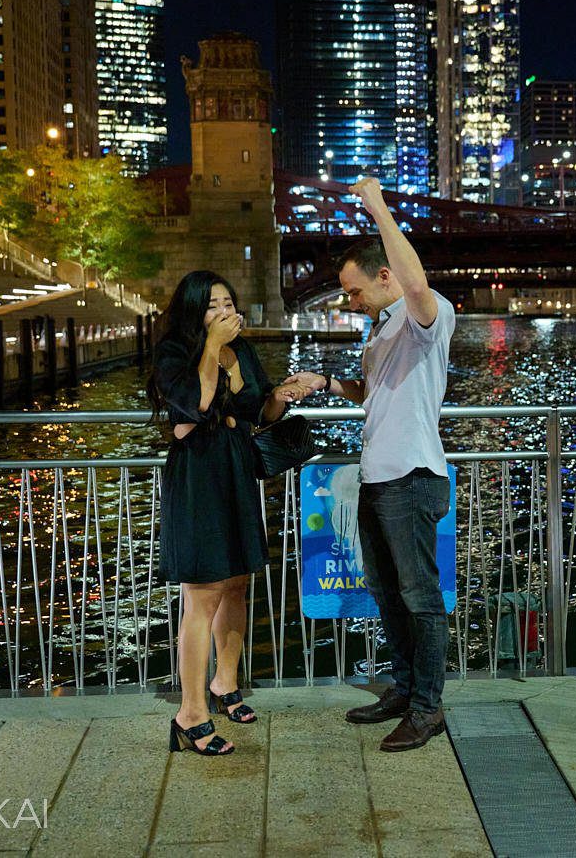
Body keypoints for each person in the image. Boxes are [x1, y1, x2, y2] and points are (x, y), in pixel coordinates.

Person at [308, 177, 457, 753]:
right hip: (377, 480)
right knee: (387, 592)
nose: (351, 301)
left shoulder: (427, 313)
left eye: (353, 291)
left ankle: (428, 708)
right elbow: (373, 393)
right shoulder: (383, 328)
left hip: (412, 479)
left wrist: (378, 207)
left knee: (420, 597)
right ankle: (403, 686)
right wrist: (324, 382)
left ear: (386, 277)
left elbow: (417, 282)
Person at [146, 270, 319, 756]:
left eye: (228, 302)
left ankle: (225, 682)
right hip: (199, 476)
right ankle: (190, 713)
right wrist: (211, 345)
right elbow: (198, 402)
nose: (224, 311)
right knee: (202, 593)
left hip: (237, 470)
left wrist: (280, 397)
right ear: (194, 311)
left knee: (238, 582)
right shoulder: (175, 352)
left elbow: (257, 413)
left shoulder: (241, 350)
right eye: (212, 305)